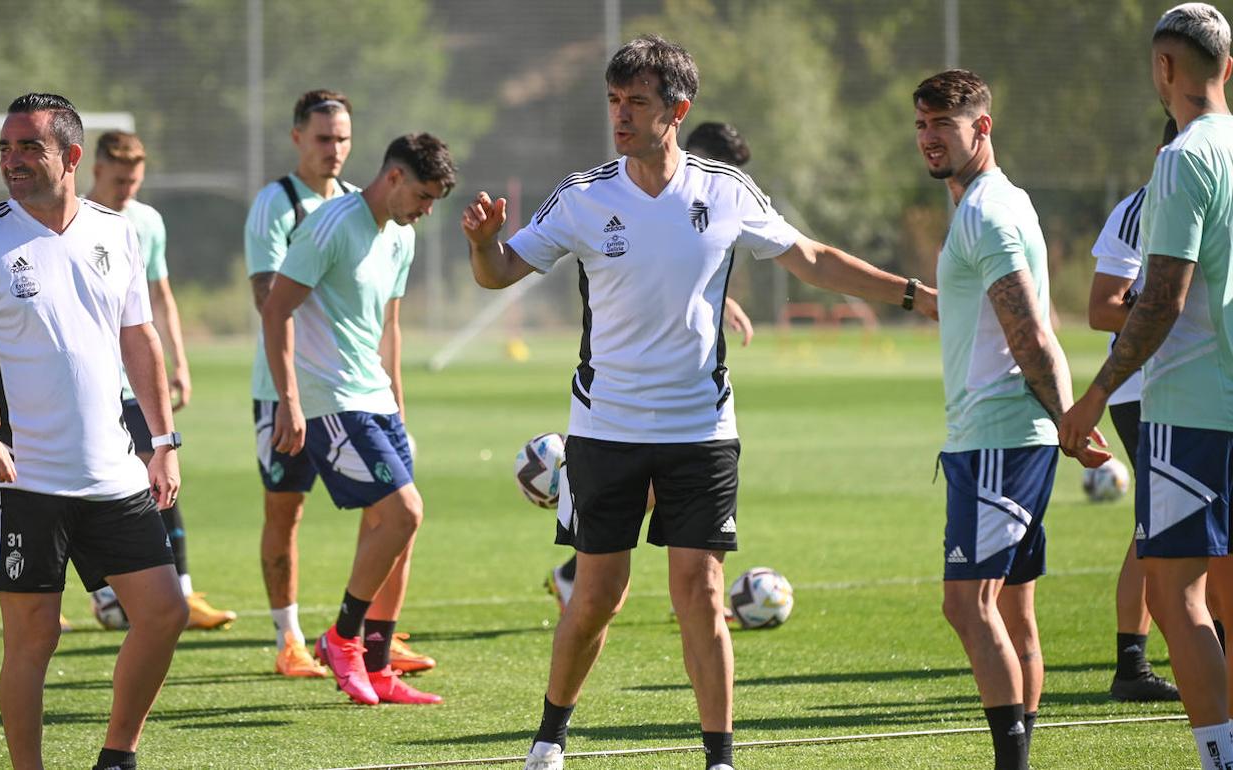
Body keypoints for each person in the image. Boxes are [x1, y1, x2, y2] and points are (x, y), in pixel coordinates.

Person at [462, 36, 936, 770]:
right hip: (605, 428)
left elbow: (811, 258)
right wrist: (483, 246)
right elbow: (499, 274)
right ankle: (549, 739)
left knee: (701, 590)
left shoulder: (725, 191)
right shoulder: (583, 196)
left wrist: (913, 294)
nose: (620, 116)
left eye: (637, 103)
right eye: (614, 102)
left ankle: (719, 756)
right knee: (596, 599)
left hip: (701, 428)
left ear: (678, 110)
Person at [913, 69, 1112, 770]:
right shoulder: (1003, 202)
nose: (930, 137)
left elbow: (1031, 330)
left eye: (944, 123)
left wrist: (1070, 417)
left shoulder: (986, 214)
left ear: (982, 127)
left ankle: (1012, 763)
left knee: (967, 606)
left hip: (997, 435)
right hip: (1005, 434)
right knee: (1013, 611)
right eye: (922, 124)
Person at [0, 92, 188, 770]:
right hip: (22, 477)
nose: (10, 160)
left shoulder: (115, 230)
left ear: (71, 157)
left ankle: (117, 757)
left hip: (112, 472)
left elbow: (140, 337)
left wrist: (162, 443)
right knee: (33, 638)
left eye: (28, 148)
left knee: (164, 612)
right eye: (6, 147)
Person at [1060, 5, 1233, 769]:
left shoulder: (1183, 158)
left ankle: (1220, 756)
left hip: (1191, 407)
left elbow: (1158, 299)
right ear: (1227, 67)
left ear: (1164, 70)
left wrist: (1094, 394)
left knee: (1177, 596)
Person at [245, 90, 434, 678]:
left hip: (357, 394)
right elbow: (268, 301)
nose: (335, 150)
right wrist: (289, 397)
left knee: (387, 512)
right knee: (286, 514)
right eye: (324, 138)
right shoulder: (277, 206)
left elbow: (387, 322)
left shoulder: (374, 208)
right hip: (288, 392)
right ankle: (290, 638)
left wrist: (396, 401)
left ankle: (370, 638)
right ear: (298, 137)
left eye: (344, 139)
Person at [543, 120, 754, 612]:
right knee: (646, 498)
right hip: (621, 400)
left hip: (691, 405)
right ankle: (576, 568)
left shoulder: (712, 199)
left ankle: (584, 572)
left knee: (662, 493)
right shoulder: (622, 193)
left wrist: (722, 303)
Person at [86, 130, 236, 631]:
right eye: (120, 179)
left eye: (135, 180)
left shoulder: (147, 222)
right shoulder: (72, 221)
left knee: (161, 479)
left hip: (135, 383)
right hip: (90, 383)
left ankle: (183, 592)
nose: (128, 189)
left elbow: (162, 297)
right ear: (97, 171)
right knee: (87, 488)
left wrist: (180, 362)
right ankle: (98, 595)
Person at [1087, 119, 1182, 703]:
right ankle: (1132, 663)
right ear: (1161, 155)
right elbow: (1102, 309)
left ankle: (1140, 661)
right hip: (1142, 388)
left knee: (1170, 519)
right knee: (1159, 522)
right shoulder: (1137, 210)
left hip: (1201, 384)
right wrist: (1177, 319)